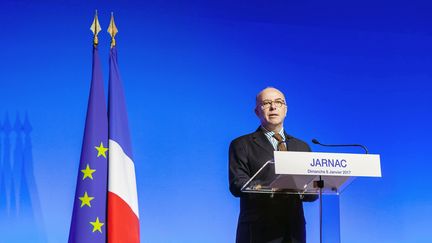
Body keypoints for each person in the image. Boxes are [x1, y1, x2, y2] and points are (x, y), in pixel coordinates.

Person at [229, 87, 316, 243]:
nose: (273, 107)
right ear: (257, 111)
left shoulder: (302, 147)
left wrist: (305, 189)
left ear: (286, 110)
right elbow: (238, 184)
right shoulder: (242, 144)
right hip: (257, 231)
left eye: (278, 102)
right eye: (266, 103)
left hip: (294, 232)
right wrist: (273, 187)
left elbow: (314, 191)